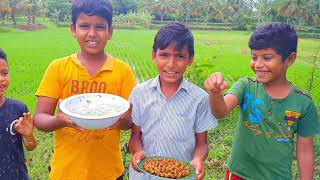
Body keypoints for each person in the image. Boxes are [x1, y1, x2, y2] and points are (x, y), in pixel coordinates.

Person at [33, 0, 136, 179]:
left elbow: (129, 122)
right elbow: (40, 119)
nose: (92, 33)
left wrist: (119, 120)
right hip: (66, 172)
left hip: (109, 172)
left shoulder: (123, 71)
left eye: (100, 27)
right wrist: (61, 120)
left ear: (110, 32)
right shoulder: (58, 68)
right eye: (84, 26)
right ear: (73, 29)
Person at [204, 22, 320, 180]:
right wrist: (215, 93)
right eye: (253, 57)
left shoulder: (303, 103)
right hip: (239, 174)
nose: (257, 65)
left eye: (266, 58)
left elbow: (305, 150)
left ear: (290, 59)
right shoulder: (245, 86)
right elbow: (220, 112)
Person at [128, 22, 218, 180]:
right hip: (143, 175)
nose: (171, 64)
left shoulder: (200, 98)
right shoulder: (140, 93)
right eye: (164, 55)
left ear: (190, 59)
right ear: (154, 56)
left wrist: (198, 159)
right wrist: (138, 152)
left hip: (181, 175)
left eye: (180, 56)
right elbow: (135, 136)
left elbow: (202, 143)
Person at [0, 48, 37, 180]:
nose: (1, 79)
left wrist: (28, 135)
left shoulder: (18, 108)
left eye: (4, 73)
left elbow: (31, 146)